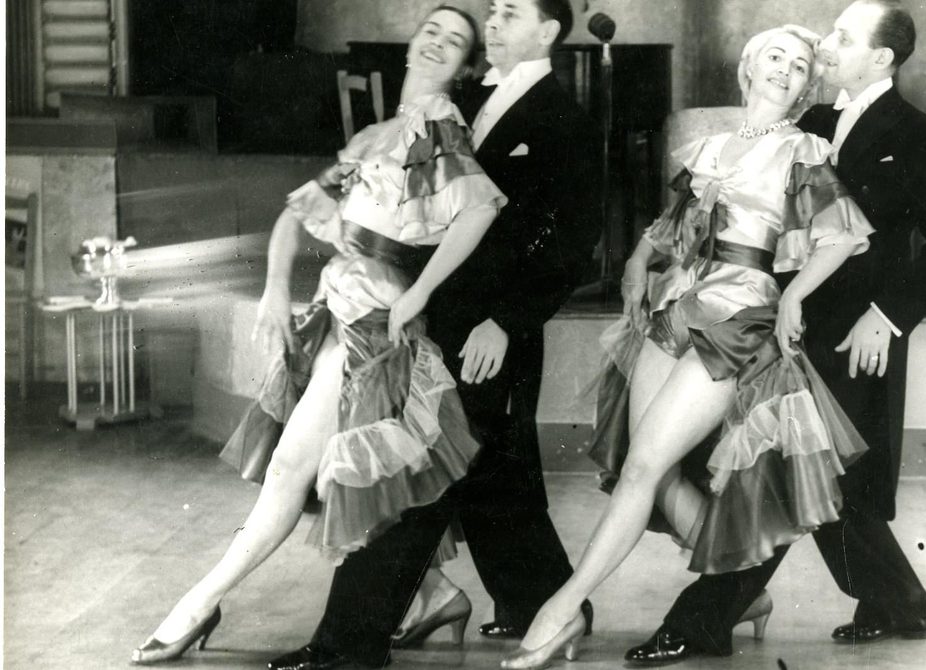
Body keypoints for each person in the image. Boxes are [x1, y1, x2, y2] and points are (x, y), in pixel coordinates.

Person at [130, 6, 505, 664]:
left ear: (465, 67)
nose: (437, 44)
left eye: (455, 42)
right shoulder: (376, 136)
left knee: (295, 470)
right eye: (431, 31)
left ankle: (196, 605)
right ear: (411, 44)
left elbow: (477, 211)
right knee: (328, 481)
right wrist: (275, 290)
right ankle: (436, 596)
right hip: (336, 319)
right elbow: (293, 218)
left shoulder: (438, 126)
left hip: (373, 335)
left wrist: (419, 291)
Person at [502, 25, 880, 670]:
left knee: (644, 468)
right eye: (775, 57)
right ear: (748, 69)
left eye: (799, 65)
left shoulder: (803, 149)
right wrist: (636, 262)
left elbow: (842, 237)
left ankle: (561, 609)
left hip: (738, 318)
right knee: (650, 473)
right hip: (676, 307)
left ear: (805, 88)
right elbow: (671, 227)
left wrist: (794, 295)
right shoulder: (710, 146)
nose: (786, 69)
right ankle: (739, 594)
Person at [624, 1, 926, 665]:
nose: (825, 44)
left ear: (881, 58)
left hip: (854, 338)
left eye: (842, 36)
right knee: (803, 480)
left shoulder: (920, 135)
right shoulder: (809, 123)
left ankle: (703, 619)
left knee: (799, 480)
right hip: (776, 326)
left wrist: (886, 317)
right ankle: (898, 601)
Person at [267, 1, 604, 668]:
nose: (495, 22)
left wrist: (506, 322)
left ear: (547, 32)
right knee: (491, 477)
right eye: (493, 11)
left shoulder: (565, 118)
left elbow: (572, 241)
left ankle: (347, 646)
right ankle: (547, 603)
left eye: (511, 13)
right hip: (428, 317)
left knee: (417, 475)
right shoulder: (462, 100)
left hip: (489, 331)